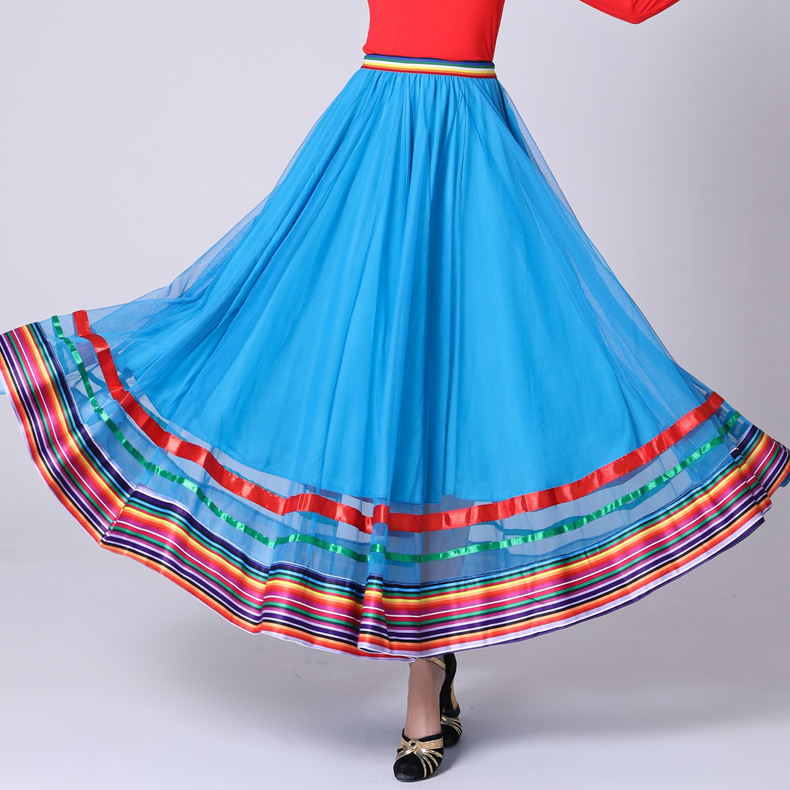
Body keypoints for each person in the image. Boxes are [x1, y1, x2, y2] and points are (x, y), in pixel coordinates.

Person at [0, 1, 786, 783]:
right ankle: (422, 656)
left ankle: (425, 672)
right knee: (349, 363)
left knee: (460, 378)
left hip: (468, 154)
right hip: (374, 143)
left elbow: (634, 6)